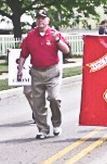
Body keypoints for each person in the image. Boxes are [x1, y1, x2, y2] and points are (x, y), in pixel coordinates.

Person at [18, 9, 70, 139]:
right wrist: (20, 70)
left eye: (43, 18)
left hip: (52, 71)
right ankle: (43, 129)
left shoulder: (54, 34)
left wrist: (57, 40)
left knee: (54, 98)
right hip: (36, 71)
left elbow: (66, 50)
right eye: (38, 18)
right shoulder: (30, 35)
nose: (40, 20)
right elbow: (23, 54)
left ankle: (56, 124)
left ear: (48, 20)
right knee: (38, 103)